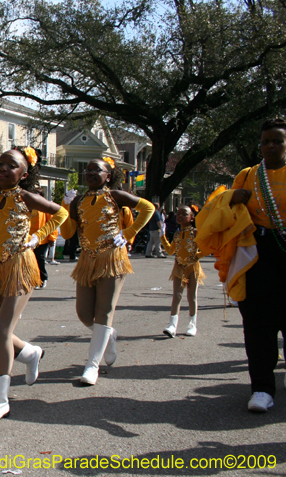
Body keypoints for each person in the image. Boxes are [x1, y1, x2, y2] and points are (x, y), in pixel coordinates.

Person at [0, 147, 67, 423]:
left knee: (3, 331)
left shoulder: (27, 197)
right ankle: (31, 354)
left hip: (21, 266)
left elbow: (61, 214)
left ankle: (0, 399)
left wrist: (38, 235)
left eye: (12, 165)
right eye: (0, 164)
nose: (3, 168)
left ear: (23, 174)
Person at [197, 118, 286, 413]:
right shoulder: (248, 175)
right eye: (266, 141)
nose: (271, 146)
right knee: (258, 323)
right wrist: (232, 197)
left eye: (277, 140)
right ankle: (261, 387)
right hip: (257, 253)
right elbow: (222, 209)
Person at [60, 157, 155, 385]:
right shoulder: (78, 201)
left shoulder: (115, 196)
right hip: (87, 260)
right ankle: (108, 334)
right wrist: (65, 207)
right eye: (88, 169)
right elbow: (67, 233)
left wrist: (129, 232)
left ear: (108, 176)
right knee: (84, 314)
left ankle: (92, 366)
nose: (91, 173)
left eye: (97, 170)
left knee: (104, 311)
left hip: (112, 258)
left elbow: (148, 208)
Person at [159, 205, 204, 338]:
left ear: (192, 218)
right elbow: (170, 251)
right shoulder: (178, 234)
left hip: (192, 267)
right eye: (178, 213)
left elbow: (206, 248)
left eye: (184, 214)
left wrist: (197, 256)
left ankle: (192, 325)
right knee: (177, 296)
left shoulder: (196, 232)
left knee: (191, 296)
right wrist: (163, 236)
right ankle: (172, 325)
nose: (180, 216)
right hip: (179, 267)